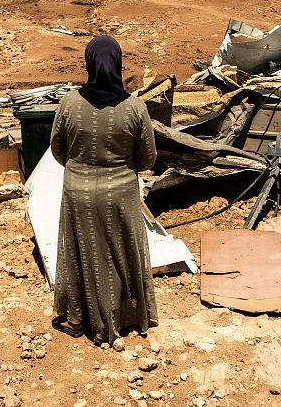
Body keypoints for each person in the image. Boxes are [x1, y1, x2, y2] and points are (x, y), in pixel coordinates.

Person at [49, 35, 158, 346]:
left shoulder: (69, 103)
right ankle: (127, 317)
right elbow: (148, 158)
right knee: (121, 255)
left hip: (78, 193)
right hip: (120, 193)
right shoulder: (136, 108)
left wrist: (80, 165)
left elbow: (58, 151)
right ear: (118, 64)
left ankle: (75, 318)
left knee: (79, 253)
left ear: (88, 64)